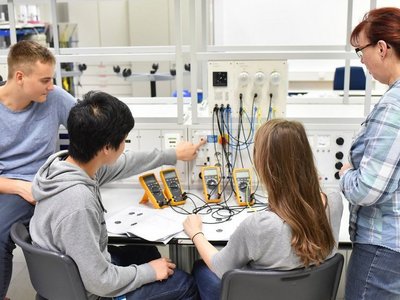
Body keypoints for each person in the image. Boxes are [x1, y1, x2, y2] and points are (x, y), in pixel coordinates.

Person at [29, 91, 204, 300]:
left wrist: (172, 155)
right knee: (184, 284)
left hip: (73, 272)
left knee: (145, 253)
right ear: (105, 148)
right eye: (123, 141)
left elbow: (126, 163)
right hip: (89, 291)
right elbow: (100, 282)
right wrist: (149, 272)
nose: (124, 147)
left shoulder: (64, 166)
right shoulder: (77, 202)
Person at [183, 119, 343, 300]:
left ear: (264, 166)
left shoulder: (260, 225)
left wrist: (195, 233)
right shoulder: (334, 202)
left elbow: (220, 267)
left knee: (200, 268)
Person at [0, 40, 76, 300]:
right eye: (45, 80)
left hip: (40, 185)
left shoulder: (53, 98)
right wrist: (17, 186)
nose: (51, 85)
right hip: (10, 186)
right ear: (20, 77)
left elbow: (88, 126)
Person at [339, 7, 400, 300]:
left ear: (382, 48)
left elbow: (367, 189)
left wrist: (346, 173)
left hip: (382, 248)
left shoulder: (393, 107)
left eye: (360, 50)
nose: (361, 59)